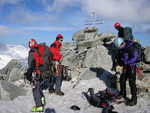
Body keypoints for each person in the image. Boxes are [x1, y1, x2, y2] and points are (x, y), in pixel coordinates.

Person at [24, 39, 53, 112]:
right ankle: (42, 99)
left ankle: (39, 106)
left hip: (36, 73)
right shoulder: (39, 49)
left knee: (35, 89)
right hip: (43, 72)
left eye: (30, 43)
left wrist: (28, 74)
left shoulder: (32, 51)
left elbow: (31, 65)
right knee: (38, 86)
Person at [114, 38, 138, 106]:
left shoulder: (130, 47)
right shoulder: (122, 48)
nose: (119, 48)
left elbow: (135, 57)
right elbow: (122, 57)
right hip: (125, 66)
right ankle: (122, 94)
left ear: (122, 43)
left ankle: (134, 99)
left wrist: (126, 62)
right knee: (122, 80)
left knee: (132, 83)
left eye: (119, 46)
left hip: (131, 67)